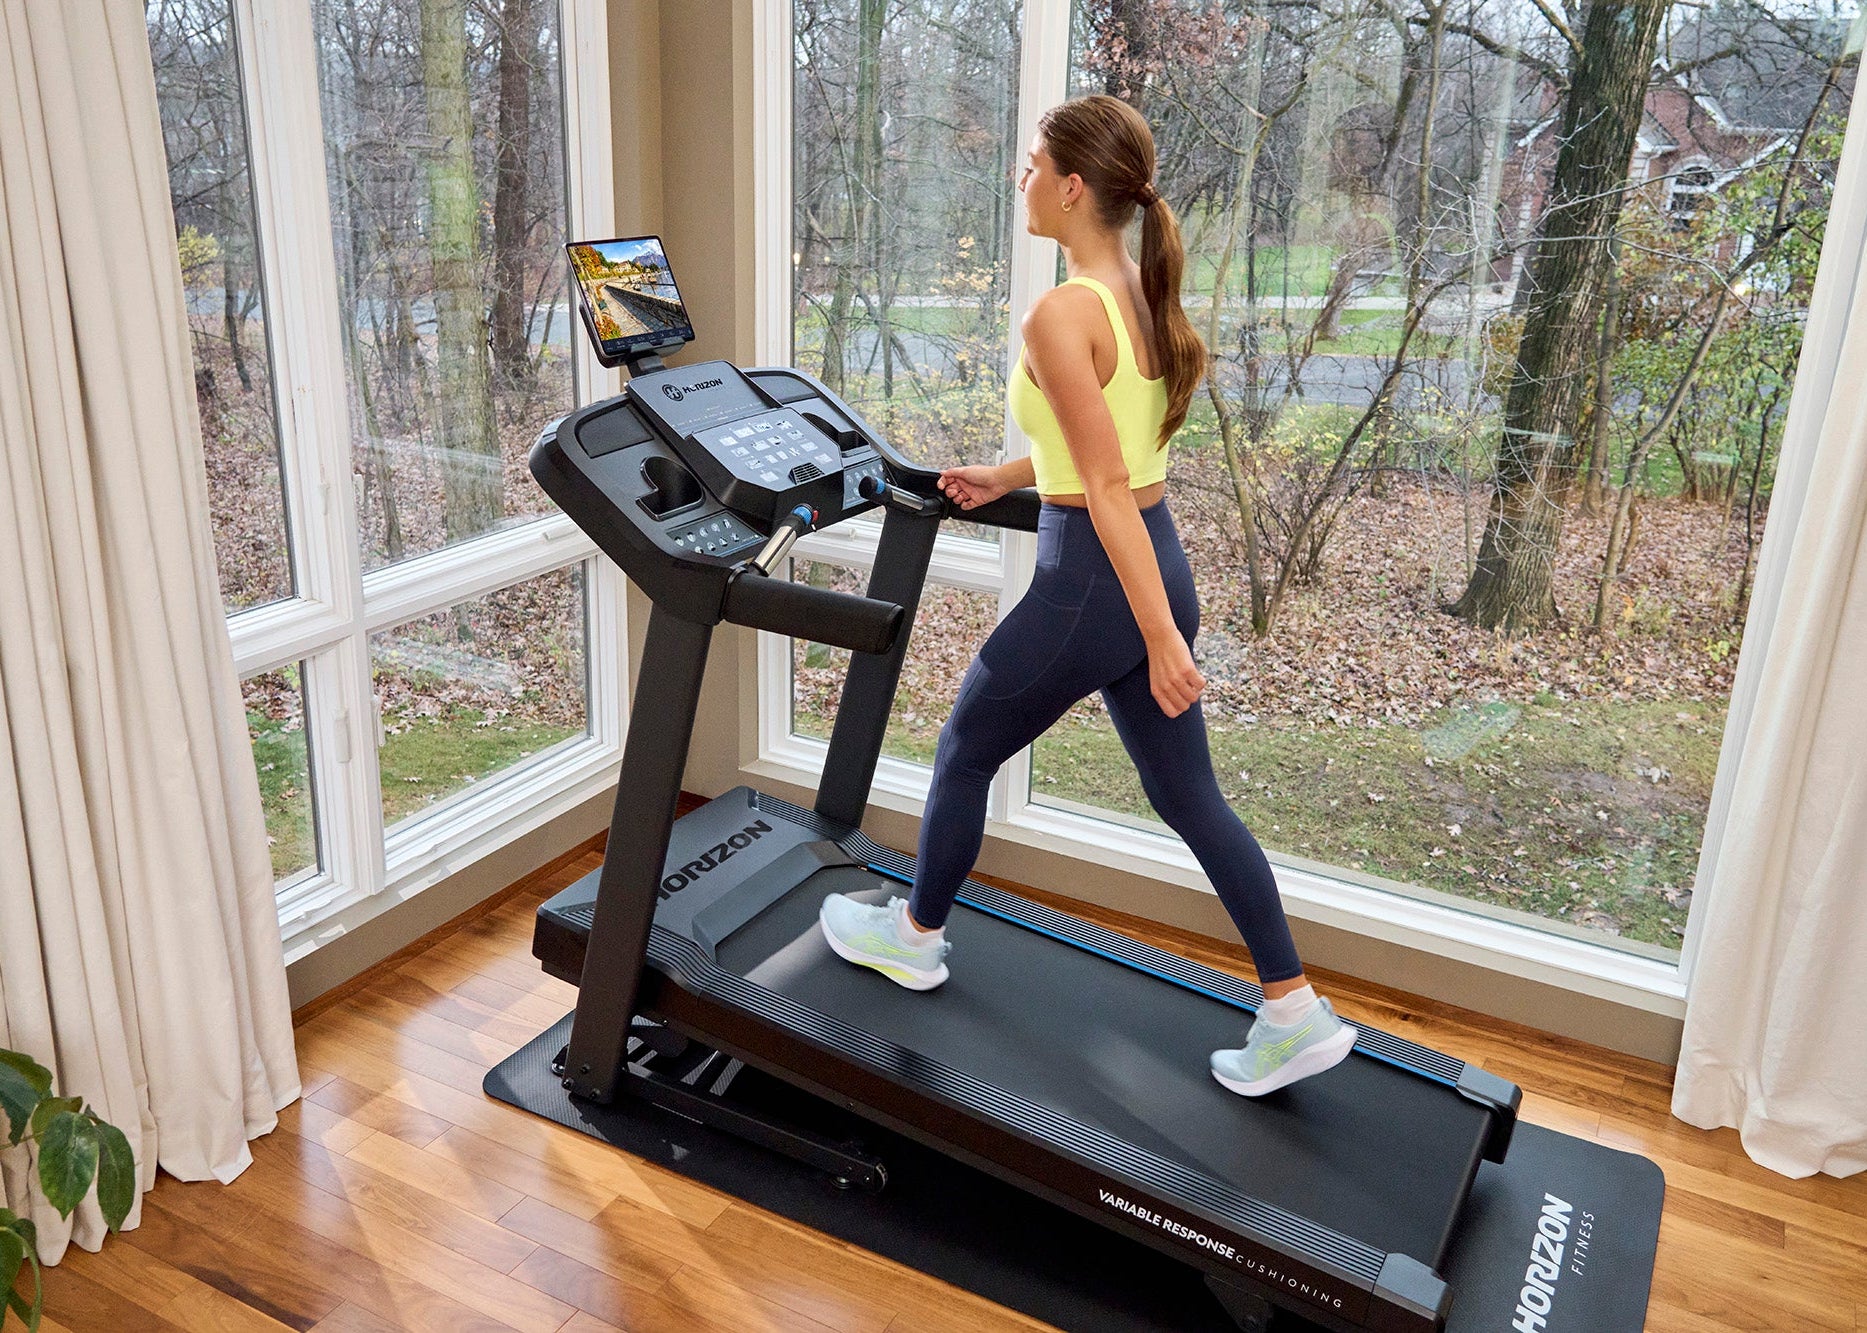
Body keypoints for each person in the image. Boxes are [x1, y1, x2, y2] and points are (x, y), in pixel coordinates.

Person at [819, 94, 1356, 1097]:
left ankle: (915, 937)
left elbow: (1102, 483)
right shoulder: (1139, 295)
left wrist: (1157, 639)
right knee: (1189, 796)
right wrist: (1006, 475)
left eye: (1029, 166)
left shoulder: (1062, 309)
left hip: (1094, 586)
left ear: (1071, 187)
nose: (1018, 180)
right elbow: (1105, 447)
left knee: (963, 747)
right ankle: (1292, 1006)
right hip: (1155, 556)